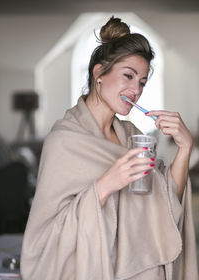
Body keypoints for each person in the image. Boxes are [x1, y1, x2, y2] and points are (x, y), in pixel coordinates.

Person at [20, 17, 198, 280]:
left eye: (142, 82)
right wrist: (105, 185)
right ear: (99, 74)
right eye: (128, 75)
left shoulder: (133, 137)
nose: (135, 90)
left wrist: (185, 148)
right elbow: (45, 239)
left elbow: (168, 205)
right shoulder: (63, 140)